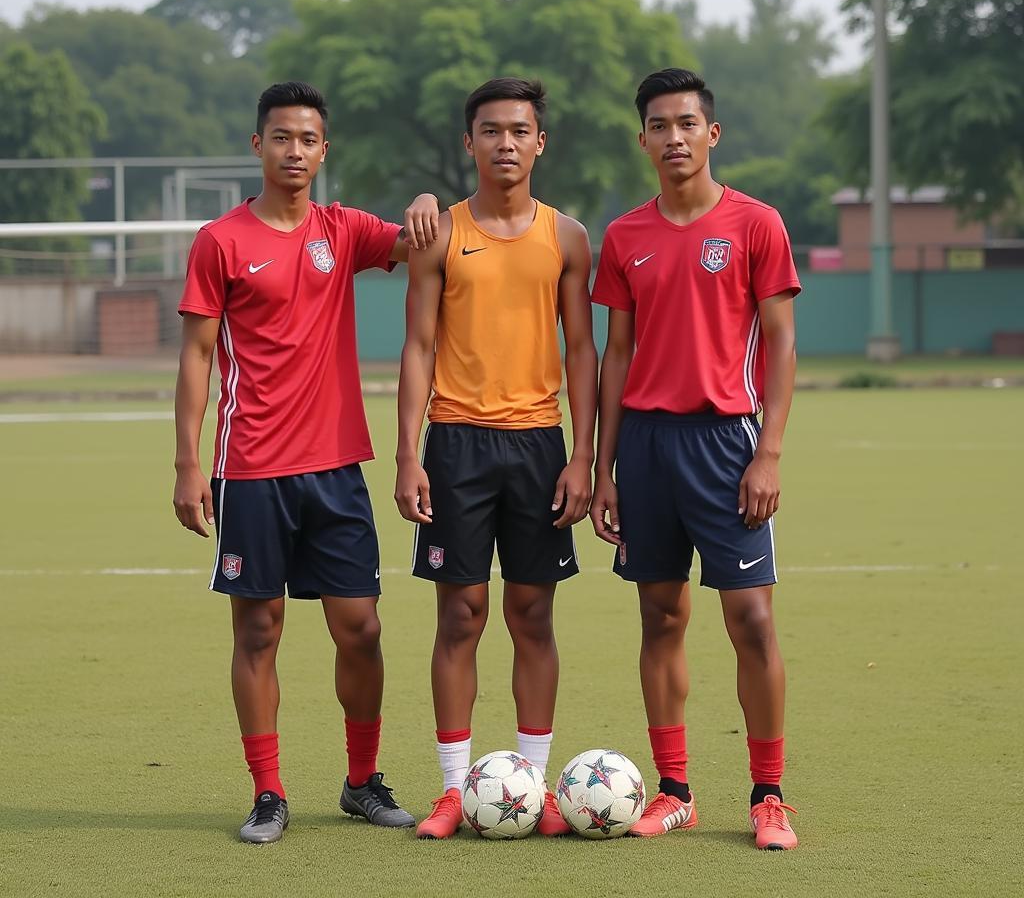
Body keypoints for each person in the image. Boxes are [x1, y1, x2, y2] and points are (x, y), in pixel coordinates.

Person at [173, 81, 440, 844]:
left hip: (336, 470)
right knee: (258, 630)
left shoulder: (342, 229)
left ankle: (361, 782)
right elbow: (195, 357)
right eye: (281, 137)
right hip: (249, 467)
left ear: (325, 150)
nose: (295, 151)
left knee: (360, 629)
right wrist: (188, 466)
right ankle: (267, 792)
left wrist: (425, 195)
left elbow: (424, 240)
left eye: (309, 139)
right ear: (257, 145)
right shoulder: (220, 241)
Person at [590, 68, 801, 850]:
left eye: (687, 123)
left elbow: (780, 345)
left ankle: (769, 796)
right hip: (644, 447)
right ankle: (674, 789)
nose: (673, 137)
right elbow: (616, 355)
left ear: (711, 134)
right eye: (658, 125)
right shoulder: (624, 236)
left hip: (727, 443)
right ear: (641, 138)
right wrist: (606, 466)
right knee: (660, 615)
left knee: (750, 619)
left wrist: (769, 453)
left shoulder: (756, 224)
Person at [394, 78, 597, 839]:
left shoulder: (567, 237)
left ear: (540, 142)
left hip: (540, 445)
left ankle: (534, 786)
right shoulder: (439, 234)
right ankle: (453, 789)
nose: (505, 143)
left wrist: (583, 457)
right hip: (455, 442)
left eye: (519, 131)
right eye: (490, 131)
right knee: (461, 615)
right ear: (469, 143)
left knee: (532, 613)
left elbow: (582, 349)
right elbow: (416, 346)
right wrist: (408, 455)